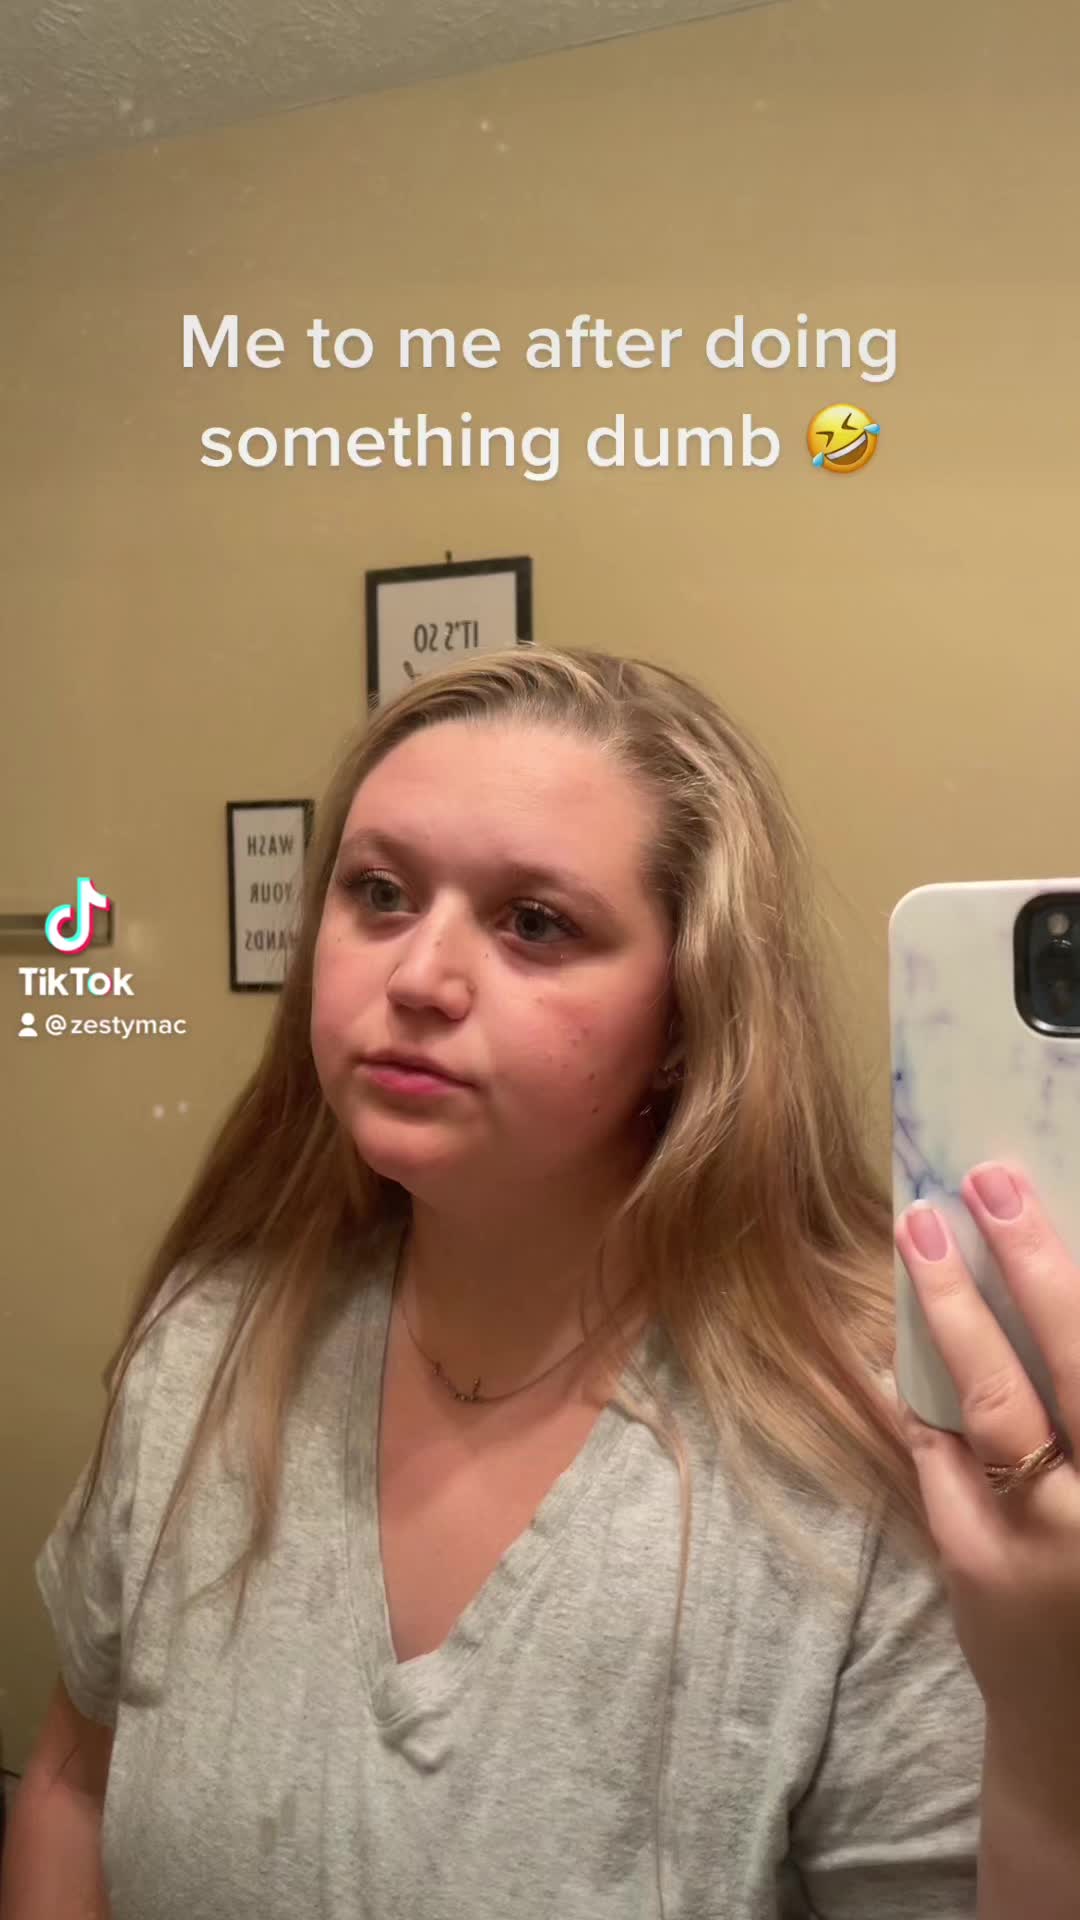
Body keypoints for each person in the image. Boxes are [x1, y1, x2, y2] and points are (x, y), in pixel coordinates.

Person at [4, 646, 1078, 1920]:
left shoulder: (866, 1466)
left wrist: (1050, 1729)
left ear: (687, 1015)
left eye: (535, 923)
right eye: (380, 893)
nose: (418, 978)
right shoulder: (207, 1345)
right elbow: (74, 1782)